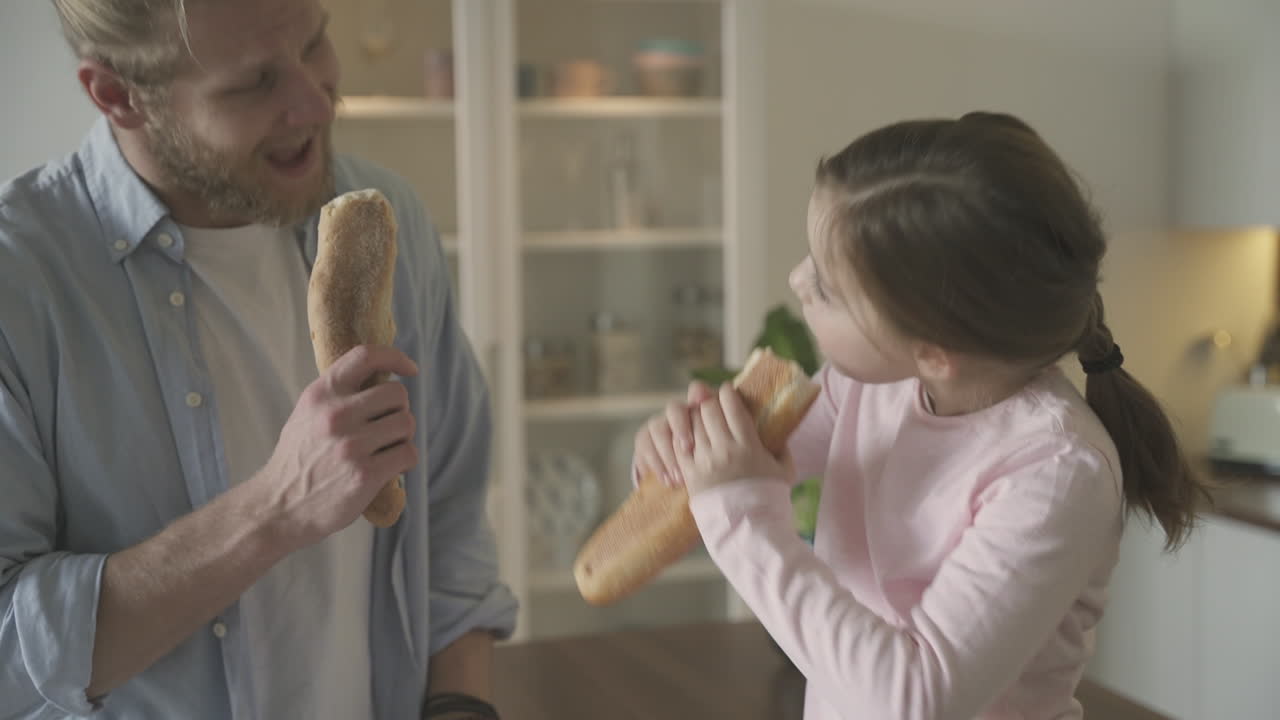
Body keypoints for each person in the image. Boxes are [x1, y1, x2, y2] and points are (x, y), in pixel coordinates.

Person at [0, 1, 516, 718]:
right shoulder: (19, 283)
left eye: (316, 43)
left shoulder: (384, 218)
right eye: (253, 82)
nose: (316, 100)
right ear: (117, 95)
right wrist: (274, 509)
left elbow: (450, 510)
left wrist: (461, 705)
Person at [636, 112, 1208, 719]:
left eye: (827, 287)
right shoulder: (866, 386)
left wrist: (740, 513)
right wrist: (681, 455)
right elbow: (728, 485)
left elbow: (915, 697)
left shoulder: (1056, 472)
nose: (797, 280)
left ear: (934, 351)